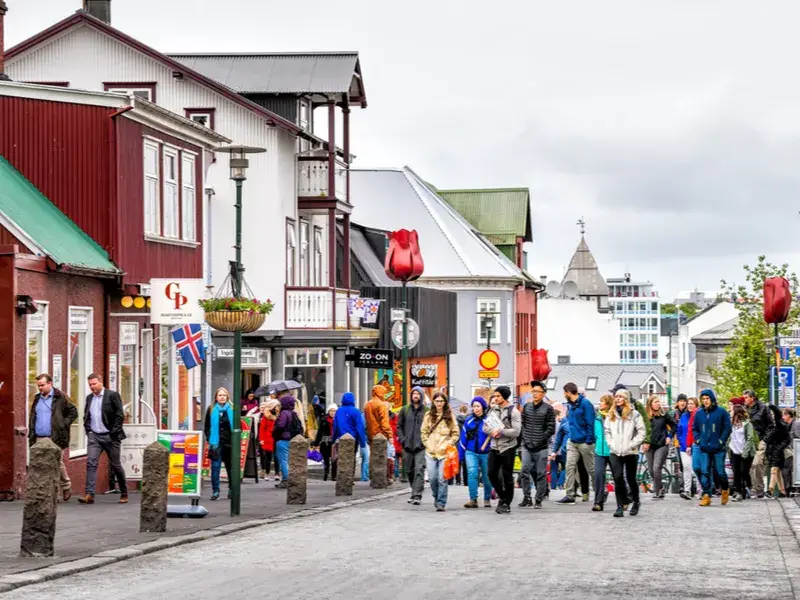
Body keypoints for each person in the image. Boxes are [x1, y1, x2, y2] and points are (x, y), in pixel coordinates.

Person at [78, 374, 128, 505]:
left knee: (116, 465)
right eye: (90, 385)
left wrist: (114, 432)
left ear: (101, 382)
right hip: (94, 436)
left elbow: (119, 415)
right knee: (91, 463)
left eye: (94, 384)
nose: (92, 387)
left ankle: (124, 492)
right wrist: (88, 431)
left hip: (110, 436)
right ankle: (89, 494)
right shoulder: (89, 398)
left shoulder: (112, 395)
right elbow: (87, 415)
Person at [28, 373, 78, 502]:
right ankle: (46, 493)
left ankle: (65, 486)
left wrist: (63, 424)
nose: (40, 388)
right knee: (41, 466)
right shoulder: (37, 398)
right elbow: (34, 416)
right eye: (38, 385)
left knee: (56, 463)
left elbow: (73, 412)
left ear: (50, 383)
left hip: (55, 436)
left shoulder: (60, 396)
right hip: (39, 438)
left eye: (43, 385)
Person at [604, 388, 646, 517]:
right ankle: (620, 506)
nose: (618, 399)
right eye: (616, 397)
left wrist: (632, 444)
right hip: (615, 451)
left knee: (631, 478)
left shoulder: (634, 414)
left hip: (630, 452)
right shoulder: (611, 414)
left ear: (626, 399)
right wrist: (611, 443)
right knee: (617, 477)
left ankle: (636, 501)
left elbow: (641, 431)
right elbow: (607, 431)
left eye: (621, 397)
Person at [483, 386, 521, 515]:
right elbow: (485, 427)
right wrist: (493, 431)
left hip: (508, 447)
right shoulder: (492, 410)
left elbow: (516, 431)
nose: (495, 398)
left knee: (507, 476)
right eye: (494, 396)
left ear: (504, 397)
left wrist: (501, 431)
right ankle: (503, 496)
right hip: (494, 446)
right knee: (491, 473)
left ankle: (506, 502)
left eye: (498, 396)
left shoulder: (513, 412)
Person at [519, 380, 556, 509]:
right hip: (527, 444)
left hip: (541, 447)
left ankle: (538, 499)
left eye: (538, 391)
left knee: (541, 473)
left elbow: (551, 428)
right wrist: (524, 438)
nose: (535, 394)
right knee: (524, 470)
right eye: (533, 391)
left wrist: (541, 438)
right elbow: (522, 424)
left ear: (543, 393)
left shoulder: (548, 409)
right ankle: (527, 497)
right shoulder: (527, 407)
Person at [557, 382, 595, 505]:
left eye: (564, 393)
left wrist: (589, 440)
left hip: (585, 442)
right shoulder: (571, 406)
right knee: (569, 467)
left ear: (568, 392)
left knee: (591, 469)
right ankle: (569, 495)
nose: (564, 395)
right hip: (572, 442)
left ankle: (601, 490)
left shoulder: (585, 404)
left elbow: (590, 423)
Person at [420, 392, 460, 512]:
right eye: (437, 401)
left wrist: (449, 444)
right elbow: (424, 432)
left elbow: (455, 433)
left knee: (442, 478)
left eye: (441, 401)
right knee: (432, 478)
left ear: (445, 403)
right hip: (431, 452)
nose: (439, 403)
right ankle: (436, 497)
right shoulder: (428, 416)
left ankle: (441, 502)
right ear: (433, 402)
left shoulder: (450, 416)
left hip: (444, 452)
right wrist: (427, 444)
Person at [693, 389, 732, 507]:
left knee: (720, 472)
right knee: (705, 472)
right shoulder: (699, 413)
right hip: (704, 447)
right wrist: (698, 440)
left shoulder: (721, 412)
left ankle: (725, 489)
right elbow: (695, 428)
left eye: (707, 399)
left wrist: (721, 440)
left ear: (712, 399)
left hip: (718, 448)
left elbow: (727, 427)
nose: (705, 401)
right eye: (703, 399)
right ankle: (706, 495)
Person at [459, 397, 494, 508]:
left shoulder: (489, 420)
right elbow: (463, 439)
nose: (476, 409)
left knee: (487, 476)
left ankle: (487, 498)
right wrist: (460, 455)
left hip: (486, 452)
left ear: (483, 407)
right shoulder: (468, 421)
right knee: (472, 473)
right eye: (474, 406)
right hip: (471, 452)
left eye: (478, 406)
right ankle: (473, 499)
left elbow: (496, 435)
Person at [397, 386, 428, 505]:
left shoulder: (426, 411)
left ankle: (417, 495)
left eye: (418, 394)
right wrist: (402, 439)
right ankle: (413, 490)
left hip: (421, 446)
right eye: (414, 393)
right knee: (409, 470)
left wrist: (425, 441)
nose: (416, 396)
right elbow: (399, 426)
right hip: (407, 445)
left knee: (419, 469)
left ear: (421, 396)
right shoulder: (404, 410)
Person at [204, 387, 235, 500]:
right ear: (216, 397)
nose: (222, 397)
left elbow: (238, 427)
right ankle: (215, 491)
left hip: (230, 443)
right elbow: (207, 426)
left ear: (227, 397)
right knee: (215, 467)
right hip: (216, 443)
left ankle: (232, 489)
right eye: (220, 395)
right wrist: (209, 438)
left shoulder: (233, 409)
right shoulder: (211, 409)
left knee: (231, 467)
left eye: (224, 395)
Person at [645, 395, 676, 499]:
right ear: (650, 404)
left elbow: (674, 425)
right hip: (649, 445)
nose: (658, 404)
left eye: (659, 402)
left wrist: (669, 436)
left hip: (662, 445)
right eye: (655, 402)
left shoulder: (664, 415)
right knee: (650, 470)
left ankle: (656, 491)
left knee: (656, 467)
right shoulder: (645, 417)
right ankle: (661, 487)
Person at [332, 392, 367, 478]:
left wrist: (334, 438)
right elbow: (360, 427)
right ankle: (350, 476)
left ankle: (342, 476)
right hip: (353, 438)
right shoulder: (356, 411)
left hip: (341, 438)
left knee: (342, 457)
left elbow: (335, 426)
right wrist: (362, 442)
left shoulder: (339, 411)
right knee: (352, 457)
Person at [273, 393, 303, 489]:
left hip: (283, 439)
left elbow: (281, 426)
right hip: (292, 439)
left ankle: (286, 479)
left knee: (283, 460)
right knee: (289, 460)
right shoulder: (293, 413)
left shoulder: (284, 413)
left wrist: (275, 431)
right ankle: (291, 479)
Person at [744, 389, 770, 498]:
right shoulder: (744, 409)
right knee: (748, 465)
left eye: (746, 397)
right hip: (748, 440)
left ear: (752, 398)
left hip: (761, 439)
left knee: (757, 463)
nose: (744, 400)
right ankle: (752, 488)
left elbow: (771, 425)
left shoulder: (763, 408)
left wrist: (765, 440)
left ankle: (759, 488)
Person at [729, 404, 756, 502]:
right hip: (734, 450)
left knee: (744, 471)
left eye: (732, 410)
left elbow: (750, 438)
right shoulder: (731, 423)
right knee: (736, 472)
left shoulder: (747, 424)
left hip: (746, 452)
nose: (730, 412)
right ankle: (739, 492)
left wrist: (745, 452)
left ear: (737, 413)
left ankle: (748, 486)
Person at [591, 393, 614, 512]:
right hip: (599, 451)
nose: (600, 403)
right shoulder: (597, 418)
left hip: (612, 451)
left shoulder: (614, 417)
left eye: (602, 401)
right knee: (599, 475)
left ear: (608, 404)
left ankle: (625, 499)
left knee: (618, 476)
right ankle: (598, 503)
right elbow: (595, 434)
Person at [765, 404, 790, 498]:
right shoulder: (778, 426)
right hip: (775, 451)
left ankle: (770, 490)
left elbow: (777, 414)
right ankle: (782, 492)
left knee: (774, 470)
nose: (771, 416)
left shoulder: (780, 424)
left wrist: (770, 406)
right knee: (778, 472)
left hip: (777, 451)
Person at [676, 397, 699, 499]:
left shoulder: (699, 416)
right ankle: (687, 490)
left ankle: (700, 490)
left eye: (692, 404)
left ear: (696, 405)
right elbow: (679, 430)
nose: (689, 405)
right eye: (688, 404)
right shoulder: (684, 416)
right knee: (686, 467)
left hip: (697, 446)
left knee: (697, 469)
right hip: (684, 447)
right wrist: (681, 442)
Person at [314, 404, 338, 481]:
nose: (332, 412)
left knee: (334, 460)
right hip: (326, 443)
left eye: (334, 411)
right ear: (328, 411)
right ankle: (326, 475)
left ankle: (334, 476)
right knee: (326, 460)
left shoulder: (338, 420)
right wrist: (316, 443)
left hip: (334, 442)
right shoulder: (324, 420)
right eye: (331, 411)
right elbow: (319, 432)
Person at [258, 398, 279, 481]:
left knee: (277, 457)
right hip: (268, 439)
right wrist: (261, 439)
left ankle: (277, 474)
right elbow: (262, 429)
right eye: (275, 406)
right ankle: (267, 472)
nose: (277, 408)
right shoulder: (265, 417)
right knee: (268, 457)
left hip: (277, 438)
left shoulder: (279, 415)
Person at [550, 408, 569, 490]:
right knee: (565, 467)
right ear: (557, 415)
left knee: (553, 469)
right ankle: (560, 483)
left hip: (552, 450)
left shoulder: (549, 425)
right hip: (562, 450)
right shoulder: (561, 425)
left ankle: (553, 486)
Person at [782, 409, 800, 495]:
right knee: (787, 469)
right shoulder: (788, 424)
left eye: (783, 415)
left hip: (794, 451)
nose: (782, 417)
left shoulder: (796, 424)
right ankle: (789, 488)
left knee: (789, 469)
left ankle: (791, 489)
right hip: (790, 451)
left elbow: (797, 438)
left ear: (788, 415)